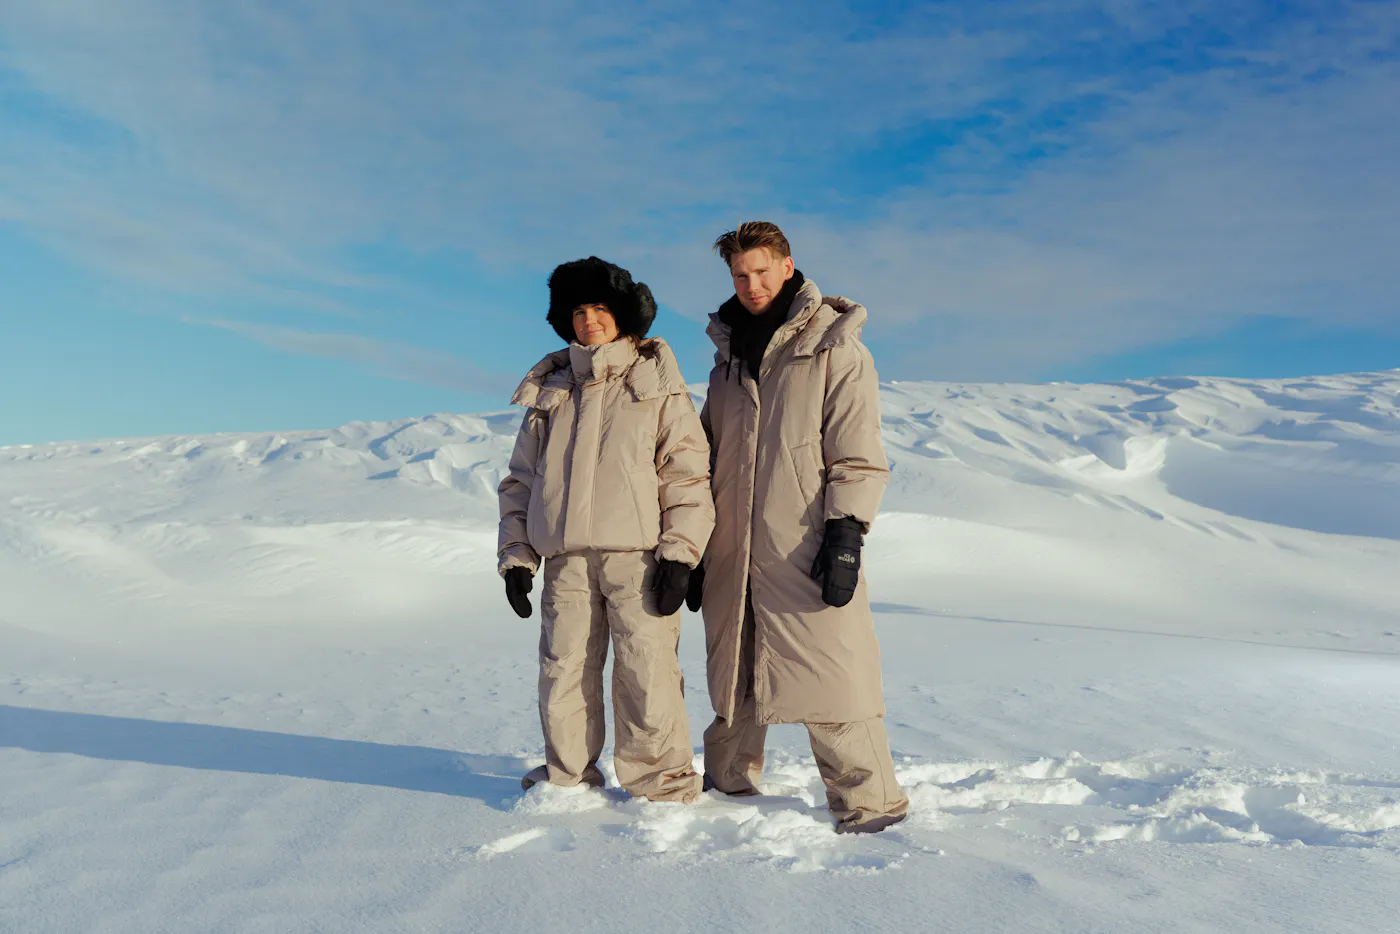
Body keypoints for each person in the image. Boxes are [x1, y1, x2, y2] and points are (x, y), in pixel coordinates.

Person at [689, 221, 909, 833]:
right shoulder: (727, 363)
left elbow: (857, 453)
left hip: (804, 546)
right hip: (734, 549)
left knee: (831, 675)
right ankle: (727, 785)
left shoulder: (835, 348)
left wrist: (847, 533)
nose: (751, 285)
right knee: (735, 673)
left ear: (788, 267)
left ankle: (871, 803)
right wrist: (697, 548)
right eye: (740, 275)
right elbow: (706, 459)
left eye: (761, 271)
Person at [497, 257, 714, 803]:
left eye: (599, 308)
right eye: (578, 311)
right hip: (566, 559)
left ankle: (660, 784)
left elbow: (686, 474)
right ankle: (567, 777)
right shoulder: (550, 391)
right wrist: (517, 555)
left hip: (638, 559)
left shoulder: (657, 383)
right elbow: (521, 481)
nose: (589, 320)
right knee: (563, 670)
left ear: (623, 314)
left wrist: (681, 553)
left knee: (646, 671)